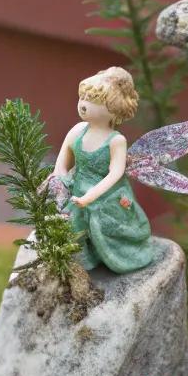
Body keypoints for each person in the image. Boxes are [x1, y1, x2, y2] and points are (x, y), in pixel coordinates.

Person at [51, 66, 154, 274]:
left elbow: (115, 173)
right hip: (77, 187)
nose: (83, 105)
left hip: (106, 194)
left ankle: (106, 254)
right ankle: (78, 258)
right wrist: (59, 181)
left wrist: (91, 196)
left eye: (93, 100)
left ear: (113, 109)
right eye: (83, 97)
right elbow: (62, 163)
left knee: (100, 222)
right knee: (71, 221)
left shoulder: (116, 140)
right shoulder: (77, 131)